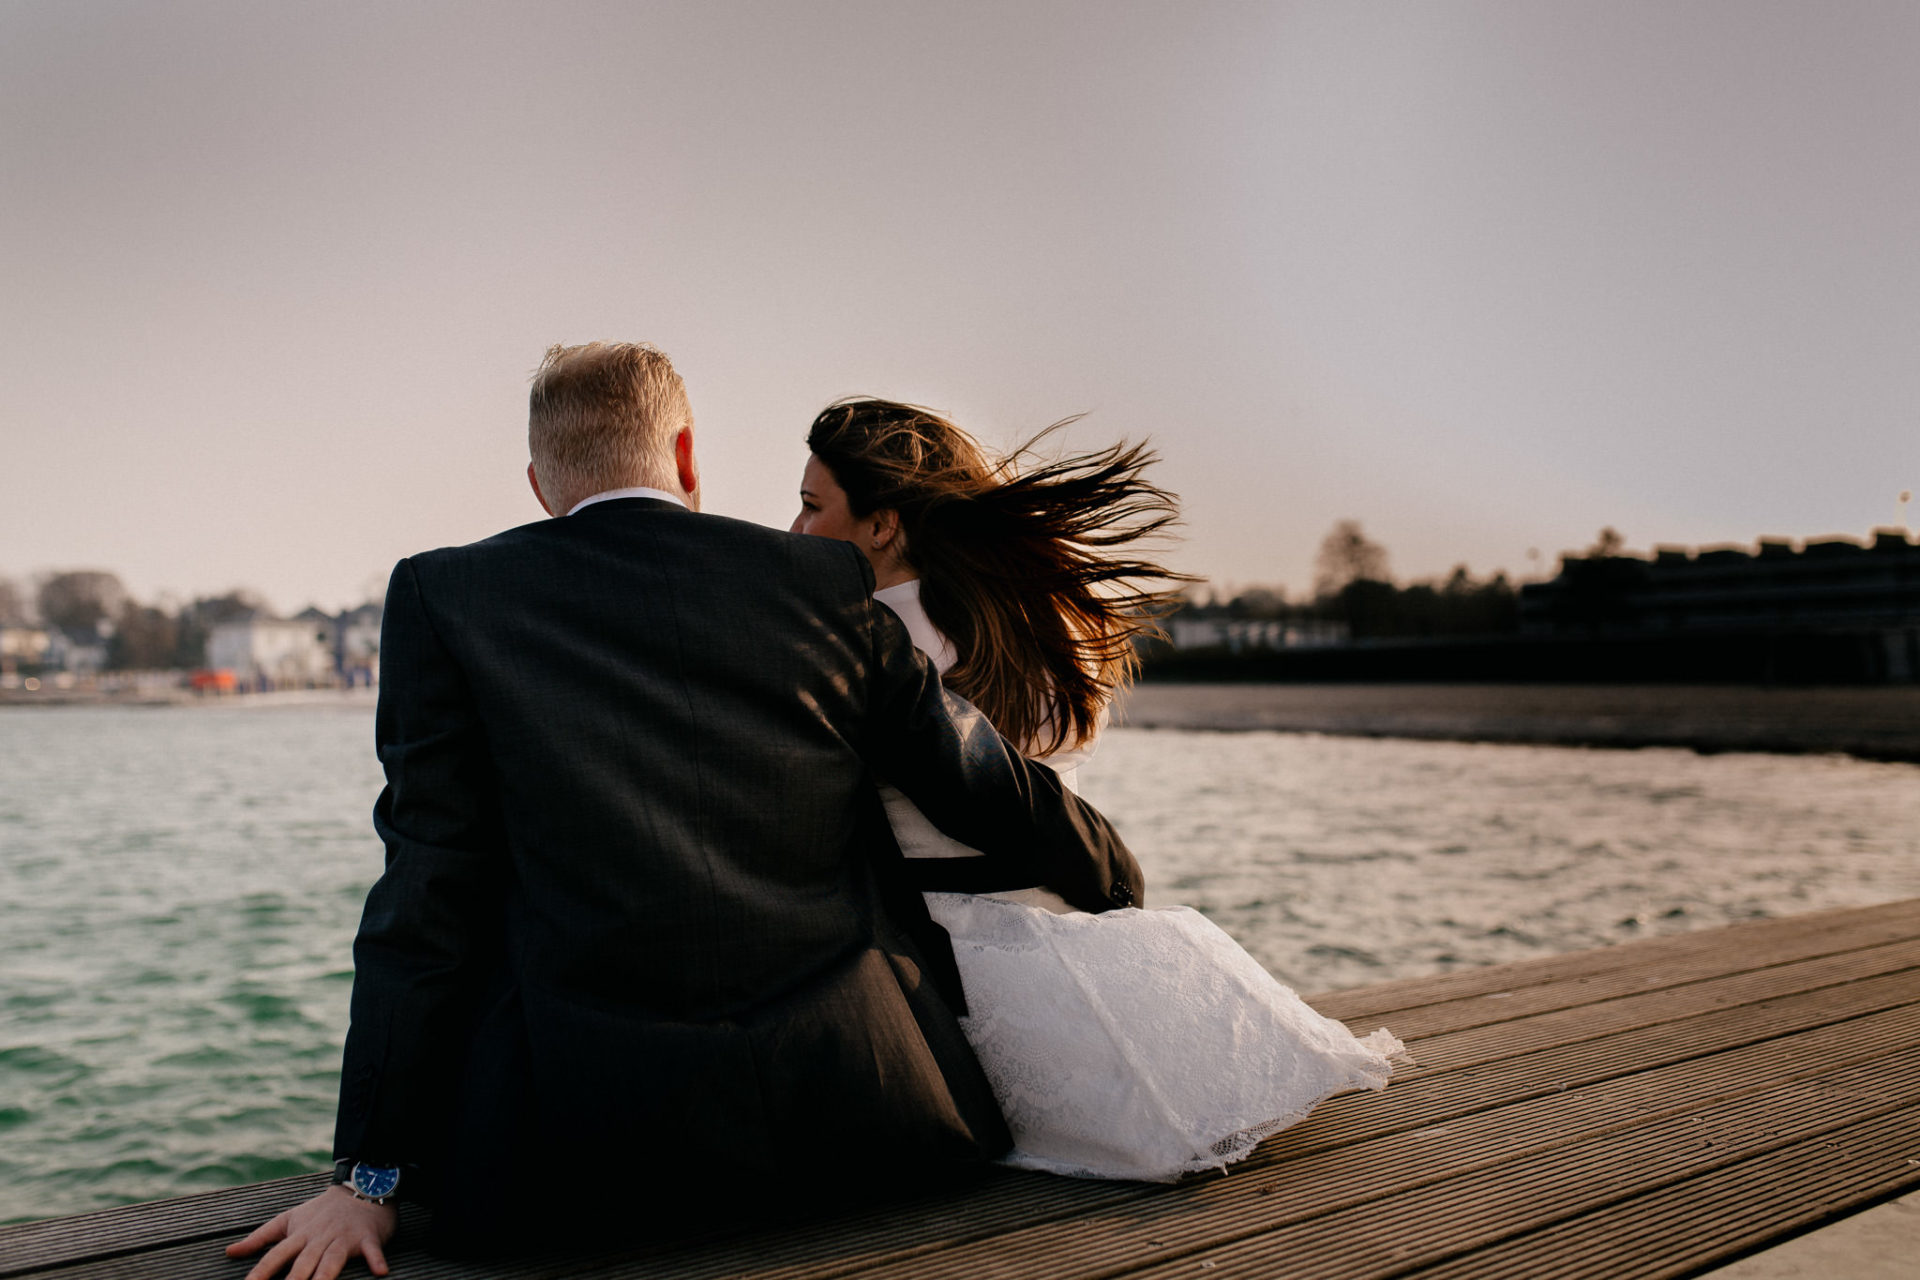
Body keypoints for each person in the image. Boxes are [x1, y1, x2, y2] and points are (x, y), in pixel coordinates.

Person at [228, 344, 1144, 1280]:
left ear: (541, 484)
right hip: (864, 1123)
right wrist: (1114, 876)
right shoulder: (820, 583)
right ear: (688, 455)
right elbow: (981, 784)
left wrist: (366, 1178)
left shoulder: (444, 595)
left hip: (573, 1163)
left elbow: (428, 887)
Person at [792, 398, 1404, 1182]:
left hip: (941, 964)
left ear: (882, 524)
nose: (795, 531)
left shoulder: (863, 648)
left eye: (813, 506)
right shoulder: (1034, 625)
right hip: (1075, 930)